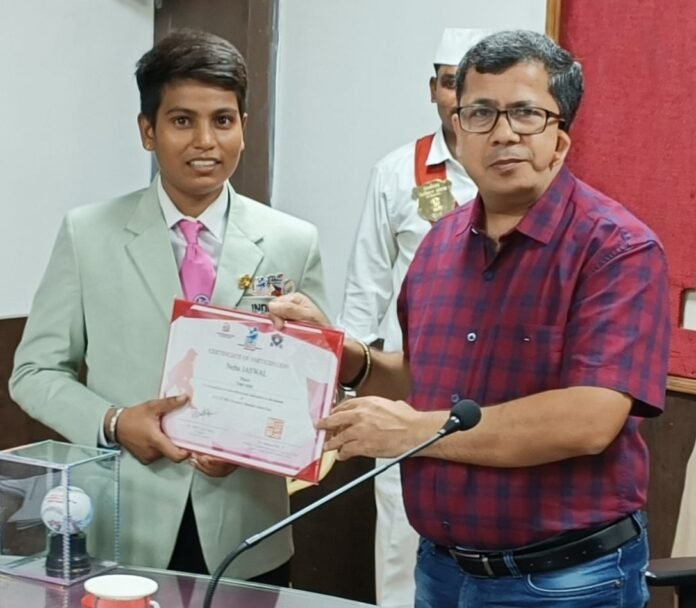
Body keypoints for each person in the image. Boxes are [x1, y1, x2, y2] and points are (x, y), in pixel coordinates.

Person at [270, 30, 671, 607]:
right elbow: (424, 379)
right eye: (480, 113)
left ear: (560, 139)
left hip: (562, 579)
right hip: (442, 569)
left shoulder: (616, 249)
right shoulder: (438, 244)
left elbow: (589, 418)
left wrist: (413, 431)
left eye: (526, 114)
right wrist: (345, 358)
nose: (503, 133)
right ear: (457, 130)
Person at [10, 30, 328, 584]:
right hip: (122, 520)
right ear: (148, 131)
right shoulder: (89, 234)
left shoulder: (292, 241)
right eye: (182, 120)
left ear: (243, 128)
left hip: (246, 527)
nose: (205, 141)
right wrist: (114, 422)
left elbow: (315, 390)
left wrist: (251, 443)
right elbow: (34, 373)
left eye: (222, 120)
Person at [337, 28, 487, 608]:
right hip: (411, 389)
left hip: (494, 396)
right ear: (433, 90)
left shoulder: (515, 170)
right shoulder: (399, 173)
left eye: (473, 85)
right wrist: (347, 387)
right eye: (450, 83)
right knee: (402, 547)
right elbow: (365, 288)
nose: (460, 97)